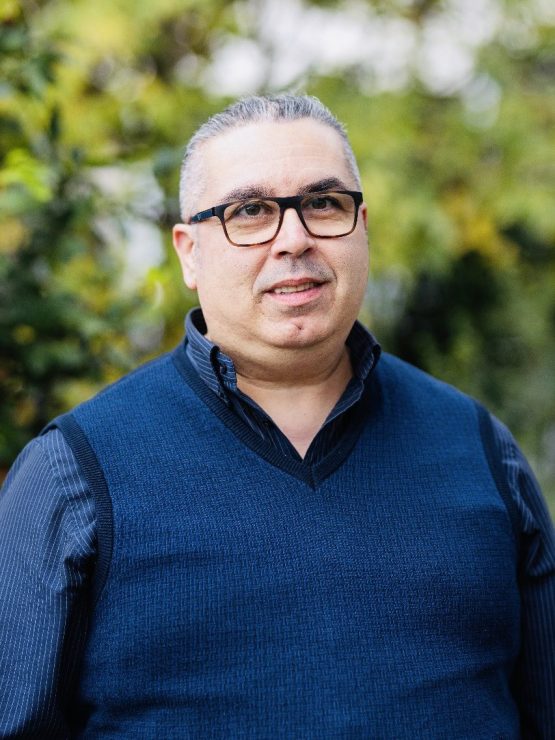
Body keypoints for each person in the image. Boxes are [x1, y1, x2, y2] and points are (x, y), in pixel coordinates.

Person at [1, 94, 554, 739]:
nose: (294, 239)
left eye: (323, 203)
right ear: (189, 252)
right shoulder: (77, 471)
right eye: (250, 211)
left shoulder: (478, 448)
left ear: (362, 226)